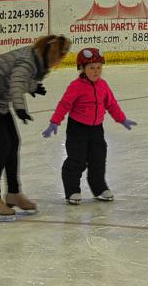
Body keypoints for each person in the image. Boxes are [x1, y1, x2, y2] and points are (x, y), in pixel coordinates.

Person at [0, 34, 71, 220]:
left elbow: (16, 77)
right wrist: (20, 108)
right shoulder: (27, 61)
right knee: (2, 147)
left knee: (12, 143)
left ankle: (13, 193)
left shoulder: (35, 57)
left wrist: (32, 87)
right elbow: (16, 82)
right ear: (54, 56)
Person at [41, 47, 137, 204]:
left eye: (99, 67)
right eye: (92, 68)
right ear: (82, 69)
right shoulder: (76, 86)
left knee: (98, 158)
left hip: (96, 129)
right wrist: (54, 122)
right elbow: (64, 104)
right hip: (77, 129)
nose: (96, 71)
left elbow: (111, 104)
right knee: (77, 159)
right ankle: (72, 190)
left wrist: (121, 119)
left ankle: (99, 188)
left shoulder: (103, 85)